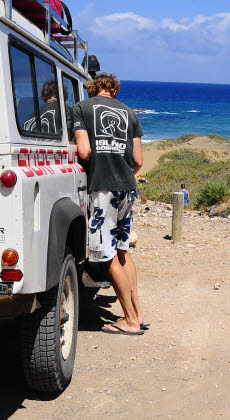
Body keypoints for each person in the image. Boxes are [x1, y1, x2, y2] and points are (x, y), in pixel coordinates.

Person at [71, 73, 147, 335]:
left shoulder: (82, 107)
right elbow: (138, 160)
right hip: (127, 188)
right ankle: (138, 312)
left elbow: (84, 151)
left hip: (102, 188)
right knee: (123, 251)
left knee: (108, 254)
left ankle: (129, 321)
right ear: (113, 91)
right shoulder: (130, 114)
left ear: (93, 90)